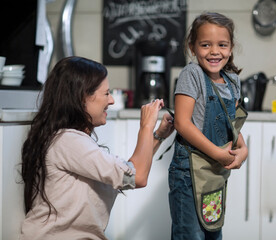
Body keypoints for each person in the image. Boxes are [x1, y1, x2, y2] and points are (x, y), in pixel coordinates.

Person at [20, 56, 174, 240]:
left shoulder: (70, 140)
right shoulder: (68, 141)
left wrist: (157, 136)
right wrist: (146, 126)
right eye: (106, 93)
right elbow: (137, 176)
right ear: (82, 97)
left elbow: (128, 172)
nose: (111, 101)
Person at [168, 12, 248, 239]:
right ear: (192, 47)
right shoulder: (191, 74)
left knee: (212, 232)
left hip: (214, 172)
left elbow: (231, 123)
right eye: (205, 45)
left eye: (222, 45)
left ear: (231, 48)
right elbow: (183, 124)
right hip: (187, 173)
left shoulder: (233, 81)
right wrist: (217, 153)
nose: (214, 51)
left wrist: (243, 149)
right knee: (190, 234)